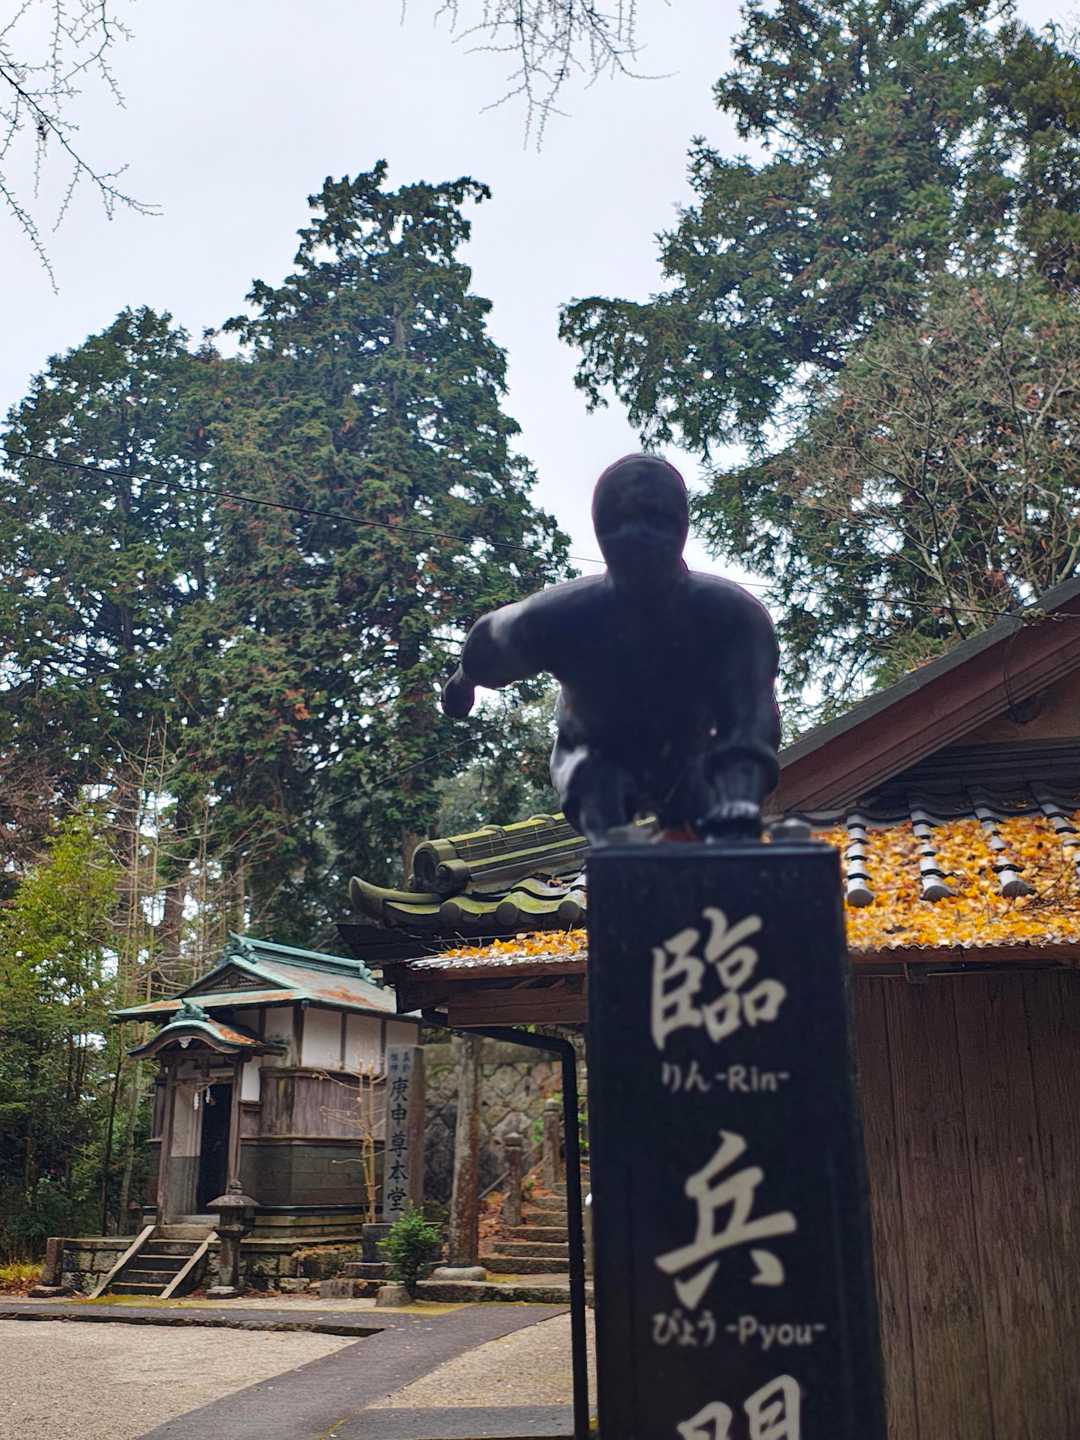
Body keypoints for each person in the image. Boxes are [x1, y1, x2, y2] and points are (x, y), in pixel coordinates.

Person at [442, 453, 780, 843]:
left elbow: (752, 722)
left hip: (688, 755)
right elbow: (488, 644)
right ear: (600, 531)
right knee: (599, 796)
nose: (638, 537)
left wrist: (738, 800)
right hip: (595, 756)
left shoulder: (733, 617)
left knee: (714, 815)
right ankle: (615, 855)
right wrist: (463, 682)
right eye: (619, 523)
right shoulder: (561, 617)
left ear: (681, 527)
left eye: (656, 520)